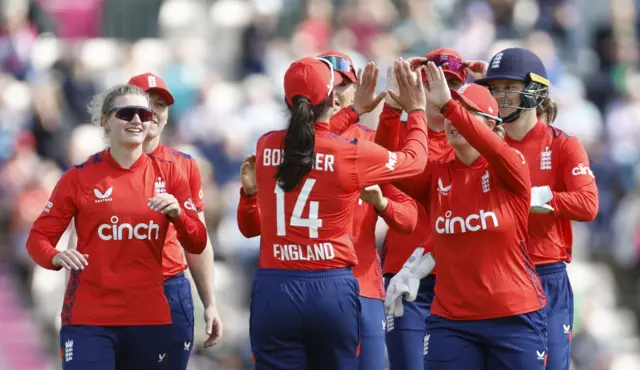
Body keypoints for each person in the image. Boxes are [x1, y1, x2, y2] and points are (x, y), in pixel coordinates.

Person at [238, 51, 419, 370]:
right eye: (335, 85)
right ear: (333, 99)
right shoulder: (354, 153)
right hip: (333, 286)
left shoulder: (268, 144)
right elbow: (411, 161)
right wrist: (413, 111)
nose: (341, 90)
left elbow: (408, 218)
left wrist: (381, 203)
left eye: (346, 82)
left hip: (293, 285)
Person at [26, 84, 208, 370]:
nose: (137, 120)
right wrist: (54, 256)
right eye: (126, 113)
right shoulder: (79, 177)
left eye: (144, 114)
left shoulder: (170, 173)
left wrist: (178, 216)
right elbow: (37, 238)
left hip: (149, 319)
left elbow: (197, 241)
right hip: (90, 318)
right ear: (105, 121)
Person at [384, 62, 548, 370]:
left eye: (467, 112)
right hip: (451, 321)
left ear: (492, 124)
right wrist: (393, 111)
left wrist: (448, 104)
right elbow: (386, 167)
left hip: (514, 316)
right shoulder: (437, 173)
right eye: (451, 113)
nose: (452, 119)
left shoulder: (511, 165)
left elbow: (495, 151)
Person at [472, 47, 599, 370]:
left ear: (533, 91)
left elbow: (588, 204)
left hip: (545, 273)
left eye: (509, 88)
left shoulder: (562, 145)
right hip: (494, 277)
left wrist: (541, 199)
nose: (499, 97)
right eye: (494, 89)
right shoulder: (481, 149)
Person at [375, 48, 466, 370]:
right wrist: (392, 105)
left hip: (458, 278)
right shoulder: (400, 133)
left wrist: (488, 87)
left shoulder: (469, 142)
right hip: (406, 273)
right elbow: (380, 166)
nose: (441, 91)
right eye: (429, 82)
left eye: (452, 83)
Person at [128, 72, 223, 367]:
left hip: (171, 290)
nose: (153, 112)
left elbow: (198, 240)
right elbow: (81, 240)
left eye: (161, 105)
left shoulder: (184, 165)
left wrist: (209, 302)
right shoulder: (98, 168)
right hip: (119, 292)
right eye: (145, 103)